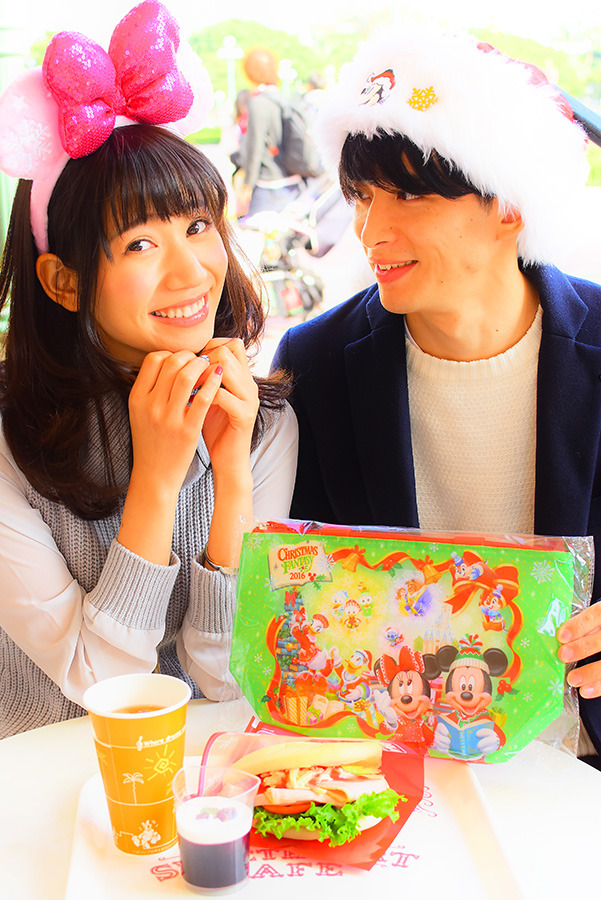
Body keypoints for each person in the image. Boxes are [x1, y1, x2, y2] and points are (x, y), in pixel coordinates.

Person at [271, 28, 601, 760]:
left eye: (409, 195)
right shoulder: (315, 364)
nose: (369, 230)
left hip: (581, 760)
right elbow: (303, 588)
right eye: (361, 196)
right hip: (396, 761)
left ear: (508, 205)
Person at [0, 1, 298, 738]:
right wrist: (158, 480)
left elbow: (226, 679)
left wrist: (231, 476)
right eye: (139, 244)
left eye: (197, 226)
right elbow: (102, 686)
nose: (192, 271)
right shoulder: (10, 438)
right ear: (63, 281)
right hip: (42, 773)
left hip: (203, 774)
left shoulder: (258, 419)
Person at [235, 47, 303, 217]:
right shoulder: (283, 100)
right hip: (292, 184)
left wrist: (247, 185)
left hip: (267, 186)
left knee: (257, 231)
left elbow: (255, 147)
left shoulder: (258, 103)